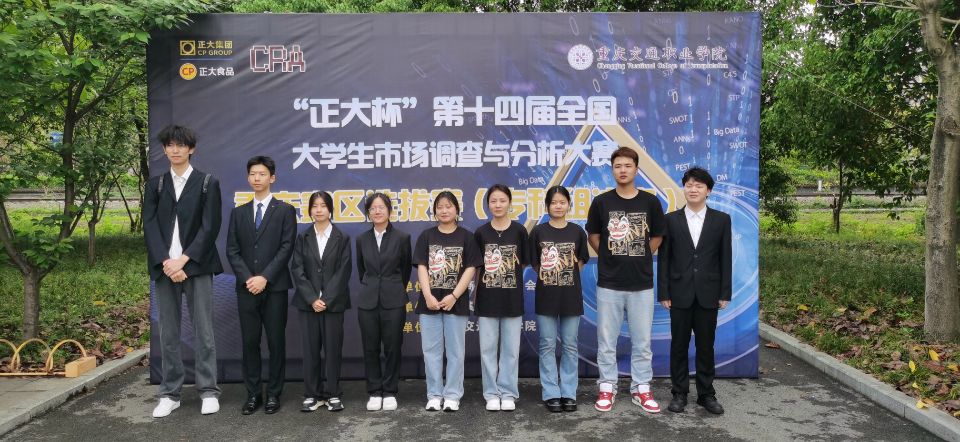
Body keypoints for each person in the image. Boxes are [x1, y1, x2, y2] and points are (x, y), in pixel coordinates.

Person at [143, 124, 223, 418]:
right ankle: (170, 393)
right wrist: (167, 261)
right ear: (165, 150)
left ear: (191, 149)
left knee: (204, 332)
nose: (175, 150)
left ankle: (208, 391)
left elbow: (210, 227)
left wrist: (184, 260)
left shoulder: (206, 183)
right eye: (170, 145)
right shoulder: (156, 185)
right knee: (168, 332)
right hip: (165, 268)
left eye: (181, 145)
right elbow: (150, 226)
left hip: (197, 266)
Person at [585, 146, 666, 413]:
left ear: (636, 169)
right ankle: (607, 386)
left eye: (627, 166)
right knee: (606, 340)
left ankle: (641, 387)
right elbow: (593, 235)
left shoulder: (650, 202)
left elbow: (657, 236)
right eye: (618, 166)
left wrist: (641, 255)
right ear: (612, 170)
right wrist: (609, 256)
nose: (622, 170)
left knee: (642, 341)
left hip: (641, 283)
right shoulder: (602, 202)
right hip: (609, 283)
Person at [226, 156, 297, 415]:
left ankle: (274, 394)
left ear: (272, 178)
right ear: (248, 178)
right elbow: (232, 250)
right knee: (250, 342)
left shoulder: (285, 210)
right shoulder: (238, 213)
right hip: (246, 288)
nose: (257, 178)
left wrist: (265, 277)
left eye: (262, 174)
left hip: (274, 287)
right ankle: (253, 394)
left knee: (276, 342)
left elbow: (287, 247)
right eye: (253, 174)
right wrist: (249, 278)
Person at [658, 167, 732, 415]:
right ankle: (679, 393)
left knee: (706, 346)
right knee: (678, 345)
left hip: (709, 292)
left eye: (699, 186)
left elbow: (725, 258)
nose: (693, 189)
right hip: (678, 292)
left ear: (708, 191)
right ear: (684, 188)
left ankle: (706, 394)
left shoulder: (721, 220)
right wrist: (664, 292)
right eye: (689, 185)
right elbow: (664, 259)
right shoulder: (670, 220)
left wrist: (724, 292)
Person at [413, 191, 481, 412]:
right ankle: (434, 394)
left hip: (456, 303)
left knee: (455, 351)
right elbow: (422, 266)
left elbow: (471, 268)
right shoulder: (426, 236)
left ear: (457, 210)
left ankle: (452, 394)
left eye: (448, 206)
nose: (444, 210)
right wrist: (427, 295)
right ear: (434, 211)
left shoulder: (467, 237)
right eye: (440, 207)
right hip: (429, 302)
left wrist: (454, 296)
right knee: (431, 351)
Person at [290, 191, 352, 413]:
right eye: (314, 206)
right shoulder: (303, 237)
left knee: (333, 350)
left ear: (330, 210)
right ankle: (312, 394)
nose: (318, 210)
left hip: (333, 304)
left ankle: (333, 393)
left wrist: (325, 299)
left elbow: (344, 271)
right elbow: (297, 269)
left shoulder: (342, 238)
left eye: (323, 206)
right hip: (308, 305)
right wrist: (312, 298)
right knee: (310, 350)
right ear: (309, 210)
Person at [530, 186, 589, 413]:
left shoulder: (577, 231)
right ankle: (551, 392)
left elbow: (581, 261)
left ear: (568, 205)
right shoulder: (538, 232)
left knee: (570, 344)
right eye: (553, 202)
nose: (558, 206)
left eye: (562, 202)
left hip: (571, 296)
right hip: (546, 295)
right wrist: (551, 276)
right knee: (547, 343)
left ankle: (568, 392)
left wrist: (566, 275)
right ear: (547, 206)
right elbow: (535, 263)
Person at [474, 184, 529, 412]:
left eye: (502, 200)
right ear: (488, 204)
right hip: (487, 299)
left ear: (509, 203)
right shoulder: (480, 233)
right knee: (487, 349)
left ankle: (508, 393)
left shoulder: (519, 231)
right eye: (493, 201)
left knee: (510, 350)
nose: (498, 205)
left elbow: (522, 263)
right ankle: (491, 393)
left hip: (511, 298)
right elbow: (476, 267)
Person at [355, 192, 412, 411]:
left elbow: (405, 270)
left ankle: (389, 391)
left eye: (381, 207)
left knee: (392, 347)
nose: (377, 211)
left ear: (389, 210)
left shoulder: (402, 238)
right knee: (370, 348)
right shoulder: (362, 239)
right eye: (372, 208)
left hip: (394, 299)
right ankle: (374, 391)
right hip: (368, 300)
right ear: (368, 213)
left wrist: (393, 286)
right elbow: (362, 270)